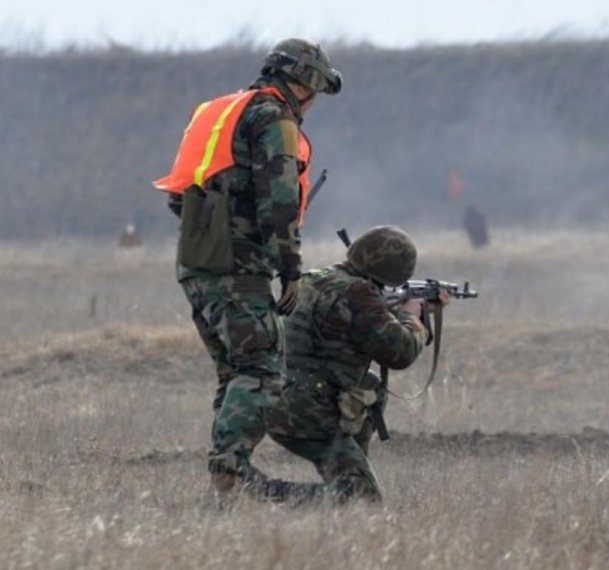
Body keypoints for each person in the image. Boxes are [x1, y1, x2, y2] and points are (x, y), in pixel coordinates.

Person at [152, 39, 342, 496]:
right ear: (303, 83)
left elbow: (184, 195)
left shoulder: (220, 112)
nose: (313, 105)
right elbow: (277, 200)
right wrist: (289, 268)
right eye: (315, 93)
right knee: (260, 371)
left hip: (197, 262)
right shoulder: (273, 118)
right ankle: (230, 474)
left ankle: (232, 478)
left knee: (235, 372)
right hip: (239, 267)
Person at [247, 225, 451, 504]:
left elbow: (347, 325)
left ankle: (350, 468)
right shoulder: (359, 295)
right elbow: (400, 352)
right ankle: (261, 494)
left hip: (274, 399)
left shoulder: (316, 279)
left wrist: (400, 312)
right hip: (308, 413)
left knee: (369, 385)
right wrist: (412, 316)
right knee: (360, 501)